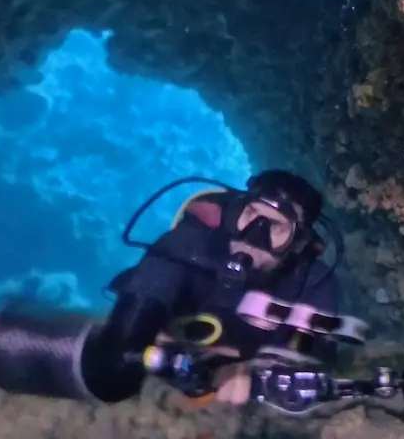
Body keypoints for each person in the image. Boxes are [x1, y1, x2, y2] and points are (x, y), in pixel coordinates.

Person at [79, 169, 344, 405]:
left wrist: (254, 370)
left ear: (297, 243)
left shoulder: (313, 283)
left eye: (276, 227)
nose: (254, 236)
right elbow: (121, 345)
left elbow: (317, 356)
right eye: (251, 214)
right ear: (235, 213)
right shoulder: (186, 247)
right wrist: (146, 343)